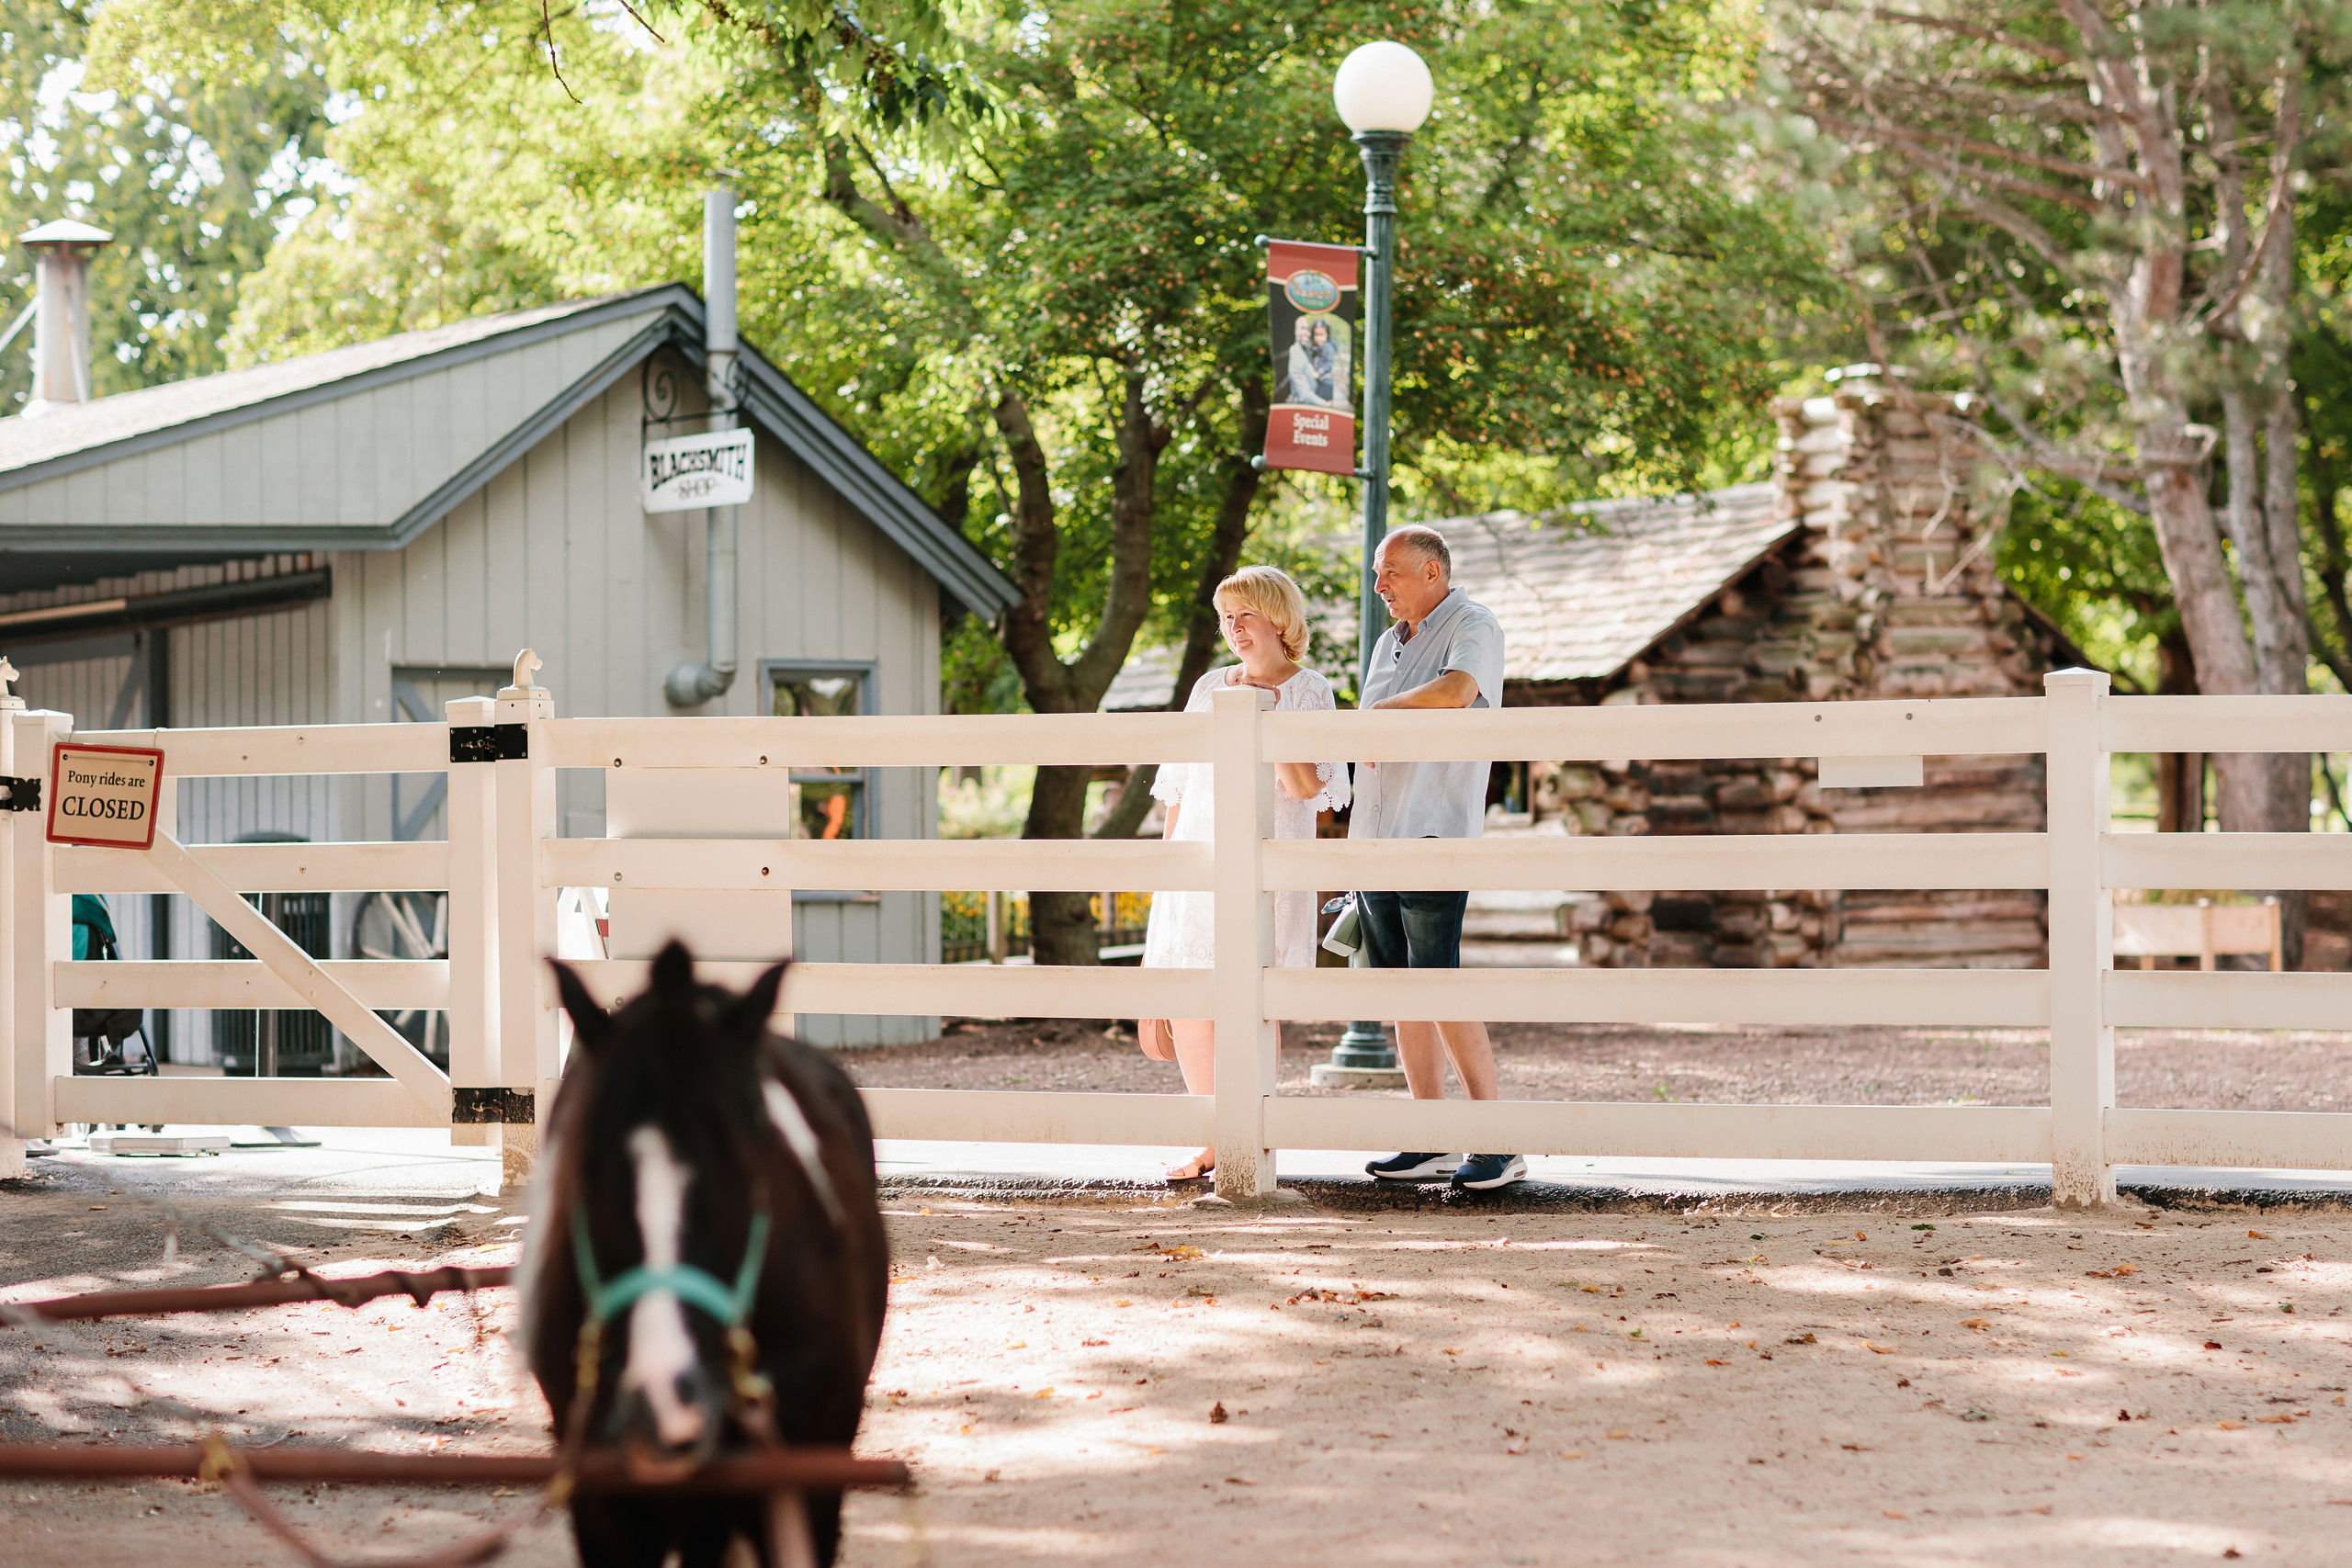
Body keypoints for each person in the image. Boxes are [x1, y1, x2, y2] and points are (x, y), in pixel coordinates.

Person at [1140, 566, 1351, 1181]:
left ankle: (1252, 1137)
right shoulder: (1209, 685)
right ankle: (1209, 1137)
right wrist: (1169, 867)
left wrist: (1265, 719)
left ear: (1278, 618)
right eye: (1226, 618)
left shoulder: (1311, 690)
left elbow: (1308, 788)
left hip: (1268, 865)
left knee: (1256, 1004)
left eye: (1245, 615)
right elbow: (1180, 785)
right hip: (1200, 858)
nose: (1233, 628)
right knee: (1192, 1000)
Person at [1351, 525, 1523, 1190]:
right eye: (1377, 572)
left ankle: (1498, 1140)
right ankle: (1430, 1138)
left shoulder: (1473, 624)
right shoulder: (1388, 643)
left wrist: (1378, 717)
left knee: (1438, 980)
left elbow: (1456, 692)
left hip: (1432, 832)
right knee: (1401, 989)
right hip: (1376, 836)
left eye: (1389, 572)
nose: (1378, 586)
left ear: (1431, 572)